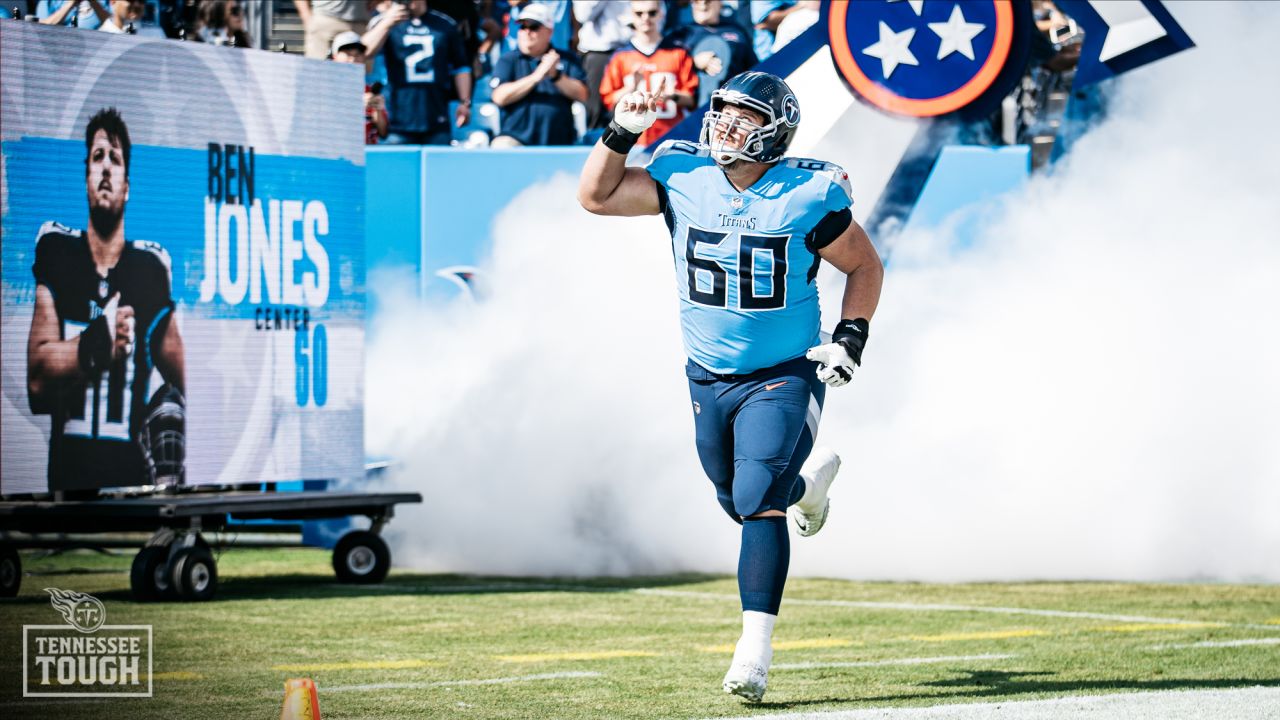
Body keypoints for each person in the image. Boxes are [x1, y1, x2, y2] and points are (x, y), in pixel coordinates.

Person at [576, 71, 883, 702]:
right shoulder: (683, 175)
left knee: (754, 496)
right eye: (720, 110)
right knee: (735, 496)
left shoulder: (807, 194)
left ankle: (755, 650)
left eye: (742, 116)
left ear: (773, 130)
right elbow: (597, 197)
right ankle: (808, 484)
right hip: (707, 373)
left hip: (784, 371)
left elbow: (863, 263)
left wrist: (851, 337)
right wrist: (622, 132)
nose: (725, 123)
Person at [27, 108, 187, 492]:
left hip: (133, 480)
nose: (105, 169)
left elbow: (188, 379)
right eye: (97, 157)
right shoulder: (58, 251)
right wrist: (98, 339)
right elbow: (36, 382)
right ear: (85, 178)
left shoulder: (150, 267)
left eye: (114, 160)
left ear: (126, 185)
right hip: (68, 482)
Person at [362, 0, 474, 145]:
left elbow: (461, 67)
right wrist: (387, 23)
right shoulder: (384, 22)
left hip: (436, 116)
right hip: (397, 120)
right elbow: (364, 51)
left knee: (436, 166)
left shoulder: (444, 24)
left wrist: (464, 102)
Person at [598, 0, 698, 149]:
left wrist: (673, 95)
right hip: (632, 142)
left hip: (671, 140)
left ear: (661, 14)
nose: (646, 18)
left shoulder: (678, 53)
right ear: (631, 15)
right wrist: (629, 88)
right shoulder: (621, 57)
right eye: (639, 14)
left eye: (652, 13)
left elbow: (692, 100)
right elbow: (609, 103)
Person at [490, 2, 588, 147]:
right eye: (523, 27)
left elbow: (582, 94)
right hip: (515, 140)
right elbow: (499, 97)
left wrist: (556, 76)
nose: (527, 32)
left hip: (560, 142)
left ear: (549, 32)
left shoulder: (567, 59)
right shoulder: (508, 59)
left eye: (534, 27)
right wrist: (537, 76)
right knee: (501, 145)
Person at [667, 0, 757, 107]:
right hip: (695, 108)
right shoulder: (681, 35)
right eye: (696, 1)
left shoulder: (737, 31)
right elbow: (665, 66)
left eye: (708, 1)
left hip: (733, 103)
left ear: (720, 3)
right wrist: (693, 62)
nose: (702, 4)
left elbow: (754, 69)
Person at [573, 0, 631, 129]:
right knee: (596, 114)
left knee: (631, 110)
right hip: (599, 52)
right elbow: (583, 15)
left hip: (633, 50)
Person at [330, 31, 390, 144]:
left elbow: (383, 133)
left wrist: (378, 110)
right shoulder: (324, 89)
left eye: (357, 55)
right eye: (347, 54)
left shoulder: (369, 91)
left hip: (368, 155)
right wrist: (356, 106)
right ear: (335, 57)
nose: (353, 60)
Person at [295, 0, 370, 60]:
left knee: (361, 72)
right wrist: (306, 16)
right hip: (326, 18)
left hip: (360, 21)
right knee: (318, 69)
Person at [99, 0, 165, 37]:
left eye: (141, 0)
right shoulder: (99, 36)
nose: (137, 5)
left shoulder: (156, 33)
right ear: (113, 2)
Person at [36, 0, 108, 29]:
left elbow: (113, 24)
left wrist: (93, 2)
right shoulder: (48, 2)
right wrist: (70, 3)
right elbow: (41, 27)